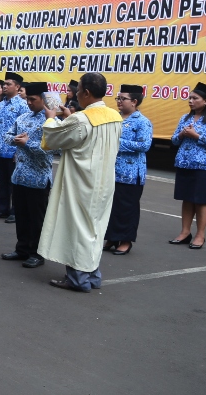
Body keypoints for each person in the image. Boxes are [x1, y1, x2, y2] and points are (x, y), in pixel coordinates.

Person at [38, 72, 122, 292]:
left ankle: (78, 279)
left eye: (78, 90)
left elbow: (54, 138)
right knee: (95, 228)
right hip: (104, 181)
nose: (75, 94)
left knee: (76, 229)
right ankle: (92, 275)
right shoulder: (114, 115)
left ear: (86, 92)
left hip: (81, 182)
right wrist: (69, 118)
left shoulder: (82, 119)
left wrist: (50, 118)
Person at [1, 82, 53, 268]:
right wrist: (15, 139)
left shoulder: (51, 122)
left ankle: (37, 253)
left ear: (43, 100)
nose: (29, 102)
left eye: (33, 99)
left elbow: (53, 149)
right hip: (20, 175)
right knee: (22, 216)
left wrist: (27, 143)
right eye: (28, 99)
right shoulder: (22, 117)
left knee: (36, 219)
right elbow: (7, 136)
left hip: (38, 178)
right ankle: (22, 248)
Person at [104, 85, 153, 255]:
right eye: (118, 98)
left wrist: (116, 141)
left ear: (134, 101)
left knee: (127, 207)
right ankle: (111, 238)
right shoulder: (114, 118)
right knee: (111, 206)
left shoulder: (142, 121)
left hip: (131, 173)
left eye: (123, 98)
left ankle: (126, 240)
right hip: (112, 170)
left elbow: (144, 145)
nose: (119, 101)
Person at [169, 82, 206, 250]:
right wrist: (182, 134)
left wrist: (197, 136)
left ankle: (200, 235)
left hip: (203, 166)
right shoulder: (185, 118)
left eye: (195, 98)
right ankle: (185, 232)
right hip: (184, 163)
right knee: (187, 198)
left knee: (201, 201)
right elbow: (174, 140)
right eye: (189, 97)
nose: (190, 101)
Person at [0, 72, 29, 224]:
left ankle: (15, 211)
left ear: (17, 87)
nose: (5, 86)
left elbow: (25, 129)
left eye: (8, 84)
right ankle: (2, 209)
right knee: (2, 181)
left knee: (14, 182)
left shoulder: (22, 105)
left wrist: (19, 150)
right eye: (4, 84)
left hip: (12, 151)